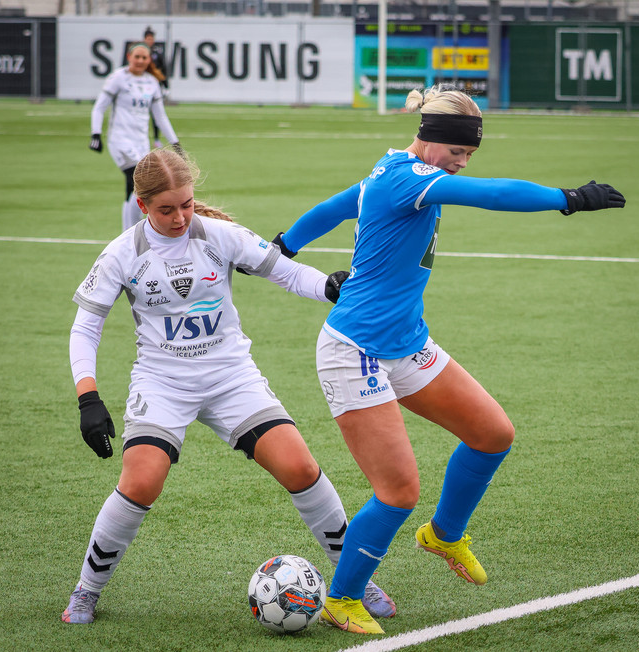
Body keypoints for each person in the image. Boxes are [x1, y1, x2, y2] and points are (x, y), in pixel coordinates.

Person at [272, 85, 626, 635]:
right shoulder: (409, 178)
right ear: (431, 138)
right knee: (398, 493)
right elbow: (493, 194)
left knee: (492, 434)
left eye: (470, 154)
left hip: (406, 342)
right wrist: (569, 198)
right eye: (457, 151)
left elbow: (340, 204)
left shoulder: (391, 170)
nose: (462, 162)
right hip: (354, 351)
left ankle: (444, 535)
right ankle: (342, 599)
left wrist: (288, 242)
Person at [61, 148, 395, 624]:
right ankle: (86, 590)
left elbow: (284, 270)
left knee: (300, 467)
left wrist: (327, 286)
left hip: (231, 376)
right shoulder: (122, 253)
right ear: (142, 205)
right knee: (141, 482)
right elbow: (85, 327)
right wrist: (88, 398)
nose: (180, 217)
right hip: (163, 382)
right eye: (166, 209)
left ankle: (353, 581)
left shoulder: (219, 235)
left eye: (186, 204)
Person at [90, 43, 181, 232]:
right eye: (137, 57)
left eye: (144, 57)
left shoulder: (152, 82)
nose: (140, 61)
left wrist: (175, 142)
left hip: (141, 144)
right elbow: (99, 107)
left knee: (134, 187)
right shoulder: (118, 78)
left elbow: (160, 116)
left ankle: (128, 233)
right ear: (129, 57)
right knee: (139, 182)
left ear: (149, 60)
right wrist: (96, 133)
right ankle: (131, 232)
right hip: (120, 141)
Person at [143, 27, 169, 148]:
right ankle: (141, 137)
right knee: (141, 112)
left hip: (154, 87)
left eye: (151, 38)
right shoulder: (141, 52)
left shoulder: (157, 52)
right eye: (148, 38)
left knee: (156, 114)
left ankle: (157, 139)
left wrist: (166, 86)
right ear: (144, 39)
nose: (150, 40)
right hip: (142, 87)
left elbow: (163, 69)